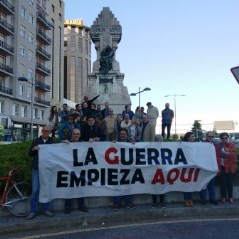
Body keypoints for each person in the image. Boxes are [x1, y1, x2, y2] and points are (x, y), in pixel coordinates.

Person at [26, 126, 54, 220]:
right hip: (36, 169)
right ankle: (33, 210)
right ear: (42, 131)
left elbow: (58, 153)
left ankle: (46, 209)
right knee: (35, 190)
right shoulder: (36, 141)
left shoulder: (52, 141)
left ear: (50, 132)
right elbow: (30, 154)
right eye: (44, 131)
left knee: (46, 189)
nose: (46, 132)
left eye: (47, 131)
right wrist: (33, 149)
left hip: (47, 169)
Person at [62, 128, 89, 214]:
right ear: (72, 135)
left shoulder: (84, 144)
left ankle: (81, 206)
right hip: (70, 169)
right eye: (74, 134)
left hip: (80, 169)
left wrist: (92, 142)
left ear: (80, 135)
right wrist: (62, 143)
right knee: (69, 188)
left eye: (77, 134)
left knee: (80, 188)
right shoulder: (67, 143)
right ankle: (67, 207)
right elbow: (58, 149)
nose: (76, 135)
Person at [112, 129, 136, 211]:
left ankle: (128, 203)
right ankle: (116, 204)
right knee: (117, 186)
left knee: (127, 185)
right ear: (119, 135)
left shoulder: (131, 142)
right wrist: (112, 144)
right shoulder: (115, 143)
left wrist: (134, 144)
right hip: (117, 168)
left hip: (128, 168)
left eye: (124, 134)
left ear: (126, 134)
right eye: (121, 134)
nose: (122, 135)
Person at [200, 131, 220, 205]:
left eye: (212, 137)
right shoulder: (202, 145)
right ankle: (203, 199)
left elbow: (218, 157)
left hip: (212, 168)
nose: (211, 138)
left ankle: (212, 199)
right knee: (203, 184)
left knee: (211, 185)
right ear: (206, 136)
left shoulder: (215, 145)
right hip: (204, 168)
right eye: (209, 136)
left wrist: (218, 168)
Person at [217, 132, 237, 204]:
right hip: (222, 166)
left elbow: (234, 155)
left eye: (226, 138)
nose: (225, 139)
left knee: (229, 183)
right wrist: (227, 154)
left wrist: (226, 153)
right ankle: (223, 197)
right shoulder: (218, 145)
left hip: (229, 167)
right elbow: (217, 154)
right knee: (223, 183)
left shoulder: (231, 145)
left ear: (228, 138)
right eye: (223, 138)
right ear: (221, 139)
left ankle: (231, 197)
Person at [152, 134, 166, 208]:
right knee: (154, 186)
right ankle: (155, 202)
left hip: (162, 170)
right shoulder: (151, 147)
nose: (159, 141)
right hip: (154, 170)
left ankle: (162, 201)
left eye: (160, 140)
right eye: (157, 140)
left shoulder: (165, 147)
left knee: (162, 186)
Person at [182, 131, 195, 207]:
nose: (194, 138)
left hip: (193, 167)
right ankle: (186, 199)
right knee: (185, 183)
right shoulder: (183, 145)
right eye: (192, 136)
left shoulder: (197, 145)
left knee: (191, 183)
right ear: (188, 138)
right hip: (185, 167)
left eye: (194, 136)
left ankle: (190, 199)